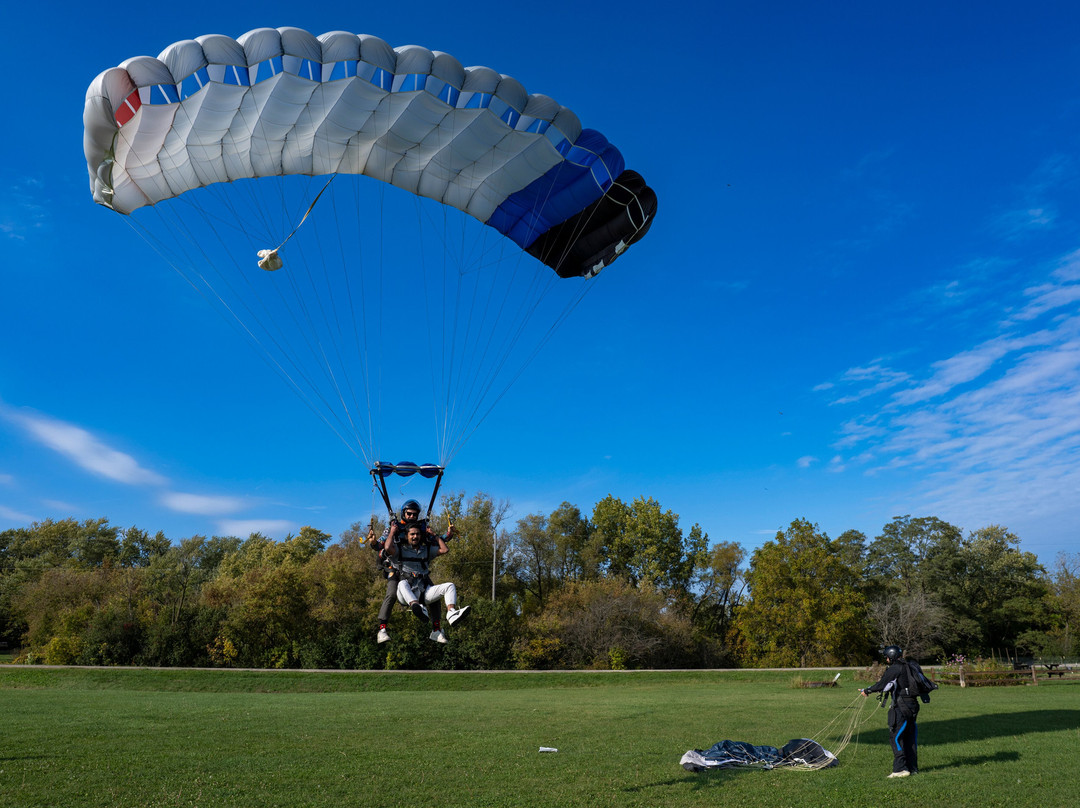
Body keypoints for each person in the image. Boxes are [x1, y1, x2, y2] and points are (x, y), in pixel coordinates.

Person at [386, 522, 470, 644]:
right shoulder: (401, 550)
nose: (415, 536)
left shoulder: (425, 550)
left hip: (423, 592)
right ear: (407, 536)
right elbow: (388, 548)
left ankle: (451, 613)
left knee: (449, 586)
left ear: (421, 536)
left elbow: (445, 549)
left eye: (417, 534)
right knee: (402, 583)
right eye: (412, 534)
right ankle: (416, 606)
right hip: (405, 594)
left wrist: (434, 535)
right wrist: (392, 532)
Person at [861, 645, 920, 778]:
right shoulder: (909, 666)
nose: (886, 660)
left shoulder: (895, 668)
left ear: (891, 657)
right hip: (913, 705)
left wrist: (867, 690)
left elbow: (882, 684)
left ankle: (900, 769)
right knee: (909, 737)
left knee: (896, 737)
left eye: (887, 657)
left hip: (902, 706)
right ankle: (912, 768)